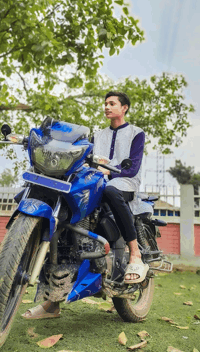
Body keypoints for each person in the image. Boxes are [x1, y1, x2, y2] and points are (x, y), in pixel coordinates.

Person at [22, 91, 148, 320]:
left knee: (110, 190)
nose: (107, 107)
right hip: (97, 179)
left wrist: (108, 170)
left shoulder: (136, 133)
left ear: (125, 108)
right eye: (106, 103)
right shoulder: (97, 134)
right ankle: (52, 303)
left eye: (112, 103)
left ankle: (135, 253)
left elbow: (133, 167)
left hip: (123, 180)